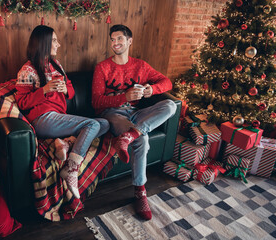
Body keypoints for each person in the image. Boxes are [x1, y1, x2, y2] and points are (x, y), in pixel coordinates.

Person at [92, 24, 177, 220]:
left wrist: (151, 90)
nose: (115, 43)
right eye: (112, 39)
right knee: (142, 140)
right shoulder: (102, 68)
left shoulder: (141, 66)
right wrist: (124, 96)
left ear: (130, 41)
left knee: (170, 106)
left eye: (120, 39)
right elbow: (96, 102)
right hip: (113, 114)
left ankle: (131, 134)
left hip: (136, 114)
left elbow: (167, 82)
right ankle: (140, 192)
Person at [15, 25, 109, 199]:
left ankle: (66, 143)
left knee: (105, 124)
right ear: (44, 43)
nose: (58, 45)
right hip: (42, 119)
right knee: (93, 124)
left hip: (59, 117)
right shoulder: (27, 70)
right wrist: (43, 90)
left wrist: (65, 89)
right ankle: (71, 169)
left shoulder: (56, 65)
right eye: (55, 41)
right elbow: (22, 103)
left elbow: (71, 91)